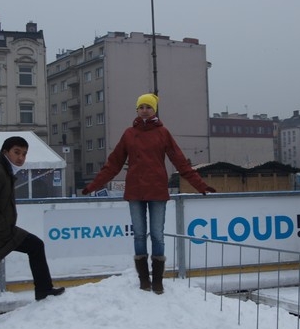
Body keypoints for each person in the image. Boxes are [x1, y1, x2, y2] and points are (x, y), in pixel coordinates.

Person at [81, 93, 215, 294]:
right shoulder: (128, 134)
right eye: (141, 106)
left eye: (148, 107)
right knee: (139, 235)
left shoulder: (163, 133)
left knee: (158, 235)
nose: (144, 110)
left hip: (157, 190)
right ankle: (144, 278)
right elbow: (113, 164)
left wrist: (200, 185)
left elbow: (180, 162)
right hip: (135, 191)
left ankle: (158, 280)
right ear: (136, 110)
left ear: (154, 110)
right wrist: (93, 186)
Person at [0, 136, 64, 329]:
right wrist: (3, 227)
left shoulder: (4, 171)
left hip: (2, 230)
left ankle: (43, 289)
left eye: (24, 154)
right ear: (6, 151)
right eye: (17, 152)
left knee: (35, 246)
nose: (21, 157)